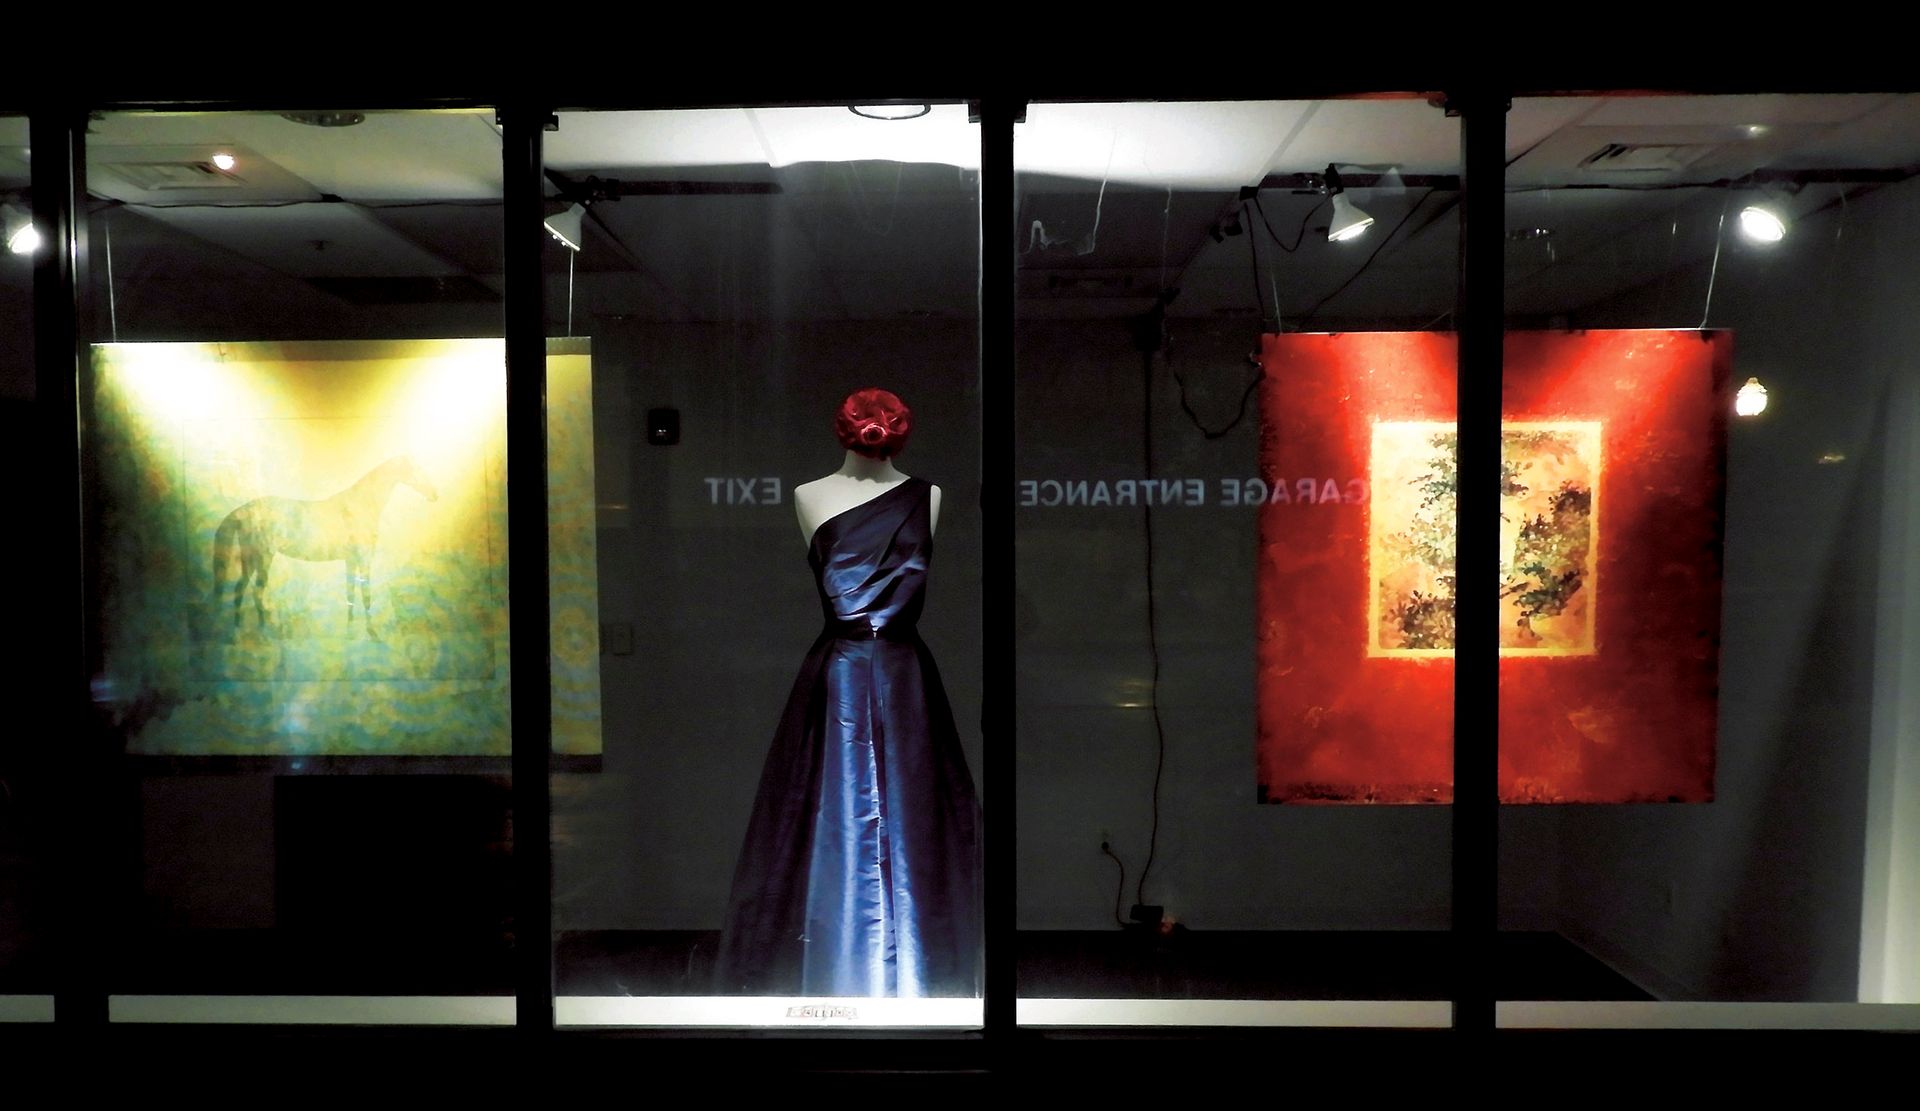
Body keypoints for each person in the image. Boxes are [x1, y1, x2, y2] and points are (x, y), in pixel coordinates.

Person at [714, 388, 981, 998]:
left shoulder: (929, 496)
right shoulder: (809, 496)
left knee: (913, 818)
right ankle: (838, 963)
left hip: (903, 673)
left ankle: (915, 967)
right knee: (832, 813)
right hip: (840, 672)